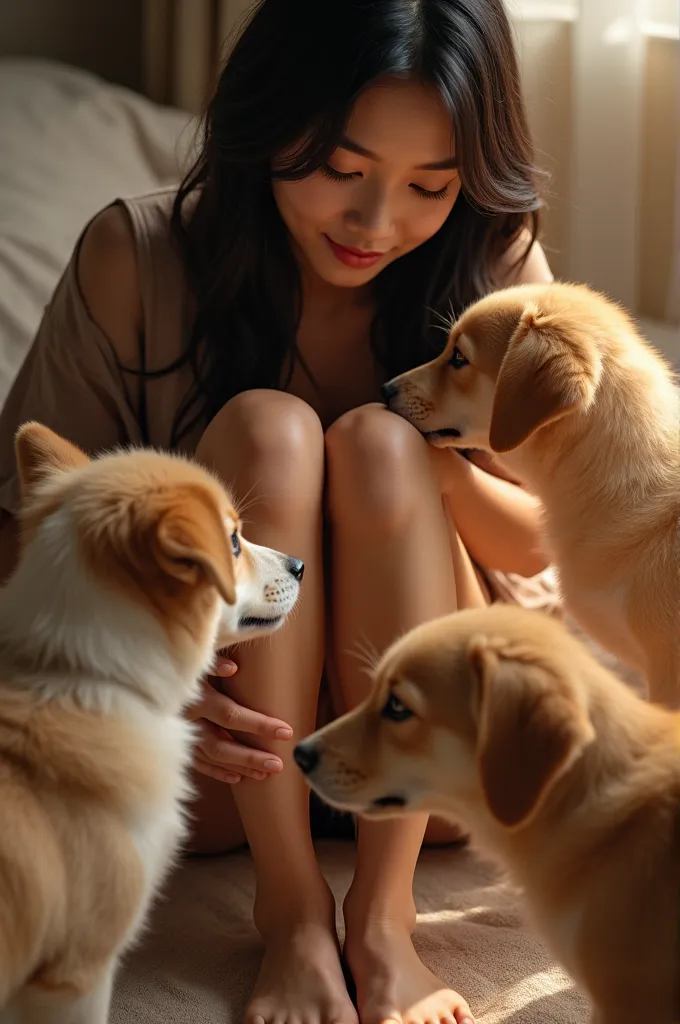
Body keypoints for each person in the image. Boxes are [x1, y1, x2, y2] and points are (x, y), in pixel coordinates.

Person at [0, 2, 560, 1022]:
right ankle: (291, 907)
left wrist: (425, 451)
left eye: (428, 187)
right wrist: (145, 674)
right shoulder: (140, 256)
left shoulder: (494, 265)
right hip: (224, 755)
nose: (374, 222)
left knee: (384, 445)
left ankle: (380, 920)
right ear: (270, 121)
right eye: (341, 170)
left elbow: (544, 538)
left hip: (434, 766)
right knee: (267, 433)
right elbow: (23, 533)